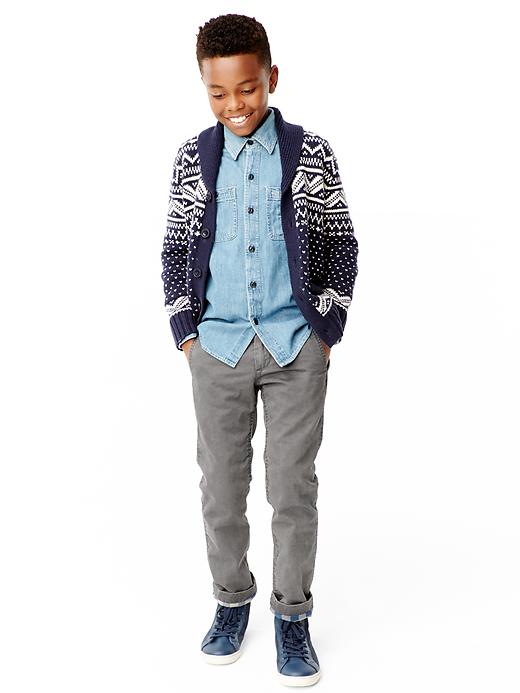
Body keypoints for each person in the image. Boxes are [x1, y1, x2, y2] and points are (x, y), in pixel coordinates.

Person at [160, 13, 359, 687]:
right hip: (216, 348)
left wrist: (327, 329)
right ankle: (230, 600)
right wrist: (186, 332)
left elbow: (341, 240)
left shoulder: (311, 153)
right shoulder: (193, 158)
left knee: (292, 487)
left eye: (246, 88)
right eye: (218, 93)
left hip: (294, 347)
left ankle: (292, 614)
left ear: (271, 78)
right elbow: (176, 243)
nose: (234, 104)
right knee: (221, 487)